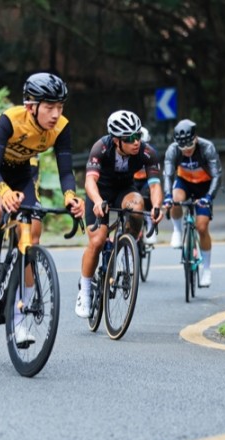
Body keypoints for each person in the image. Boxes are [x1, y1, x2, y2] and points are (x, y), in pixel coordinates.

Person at [0, 72, 84, 345]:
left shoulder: (61, 127)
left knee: (32, 233)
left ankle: (20, 322)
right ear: (32, 106)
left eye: (60, 106)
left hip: (22, 172)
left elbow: (66, 171)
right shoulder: (11, 119)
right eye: (50, 107)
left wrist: (70, 197)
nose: (56, 113)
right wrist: (4, 193)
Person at [75, 110, 164, 318]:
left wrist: (157, 206)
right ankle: (85, 290)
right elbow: (89, 182)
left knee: (138, 205)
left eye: (138, 136)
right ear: (116, 140)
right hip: (100, 192)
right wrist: (97, 202)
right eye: (130, 138)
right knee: (97, 241)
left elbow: (155, 185)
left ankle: (126, 243)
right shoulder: (101, 147)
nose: (136, 142)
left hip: (125, 190)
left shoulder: (146, 151)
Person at [163, 118, 222, 288]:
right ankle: (177, 231)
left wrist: (209, 197)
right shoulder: (173, 150)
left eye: (189, 147)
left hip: (204, 186)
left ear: (195, 139)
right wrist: (167, 196)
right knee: (174, 200)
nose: (187, 151)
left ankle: (207, 269)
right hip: (184, 182)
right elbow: (167, 175)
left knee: (202, 228)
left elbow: (217, 176)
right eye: (183, 149)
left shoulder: (207, 147)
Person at [132, 126, 159, 245]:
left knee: (147, 195)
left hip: (146, 181)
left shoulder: (151, 152)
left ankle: (149, 221)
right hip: (132, 180)